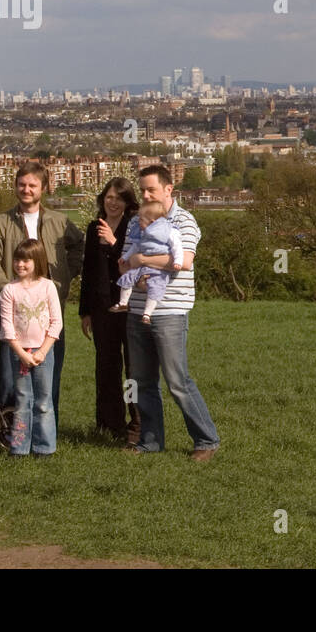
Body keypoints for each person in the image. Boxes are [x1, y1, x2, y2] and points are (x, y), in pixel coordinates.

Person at [121, 165, 220, 460]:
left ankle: (206, 440)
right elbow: (123, 264)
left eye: (151, 189)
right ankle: (151, 442)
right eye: (142, 190)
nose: (145, 195)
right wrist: (136, 272)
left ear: (169, 189)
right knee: (141, 381)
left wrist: (140, 258)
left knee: (177, 381)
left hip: (171, 312)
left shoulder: (184, 221)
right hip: (137, 310)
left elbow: (183, 261)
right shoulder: (135, 223)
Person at [0, 162, 84, 419]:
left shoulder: (60, 222)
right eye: (21, 184)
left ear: (44, 188)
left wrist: (64, 277)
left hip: (49, 313)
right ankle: (8, 432)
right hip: (14, 315)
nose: (26, 190)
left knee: (49, 375)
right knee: (8, 376)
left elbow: (80, 248)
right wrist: (8, 292)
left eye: (32, 185)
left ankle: (46, 431)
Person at [78, 178, 141, 442]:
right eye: (109, 197)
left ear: (128, 203)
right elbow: (88, 270)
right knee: (106, 365)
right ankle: (109, 422)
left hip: (128, 305)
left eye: (119, 198)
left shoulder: (134, 226)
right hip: (102, 306)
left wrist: (114, 242)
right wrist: (85, 311)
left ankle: (137, 423)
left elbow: (132, 263)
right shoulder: (94, 228)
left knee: (133, 368)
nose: (113, 202)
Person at [0, 239, 62, 456]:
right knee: (23, 399)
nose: (21, 264)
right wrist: (20, 353)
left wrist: (43, 351)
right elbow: (7, 326)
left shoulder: (48, 287)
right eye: (17, 260)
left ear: (37, 261)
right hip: (19, 354)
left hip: (44, 352)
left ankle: (44, 447)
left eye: (26, 260)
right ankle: (19, 447)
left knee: (44, 401)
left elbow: (57, 322)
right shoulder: (9, 290)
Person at [110, 200, 183, 323]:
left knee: (155, 287)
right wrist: (125, 257)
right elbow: (135, 247)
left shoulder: (169, 231)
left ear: (152, 222)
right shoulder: (143, 233)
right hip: (140, 267)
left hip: (158, 269)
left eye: (141, 220)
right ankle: (123, 303)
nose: (139, 223)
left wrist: (178, 261)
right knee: (128, 277)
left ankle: (147, 314)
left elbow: (177, 247)